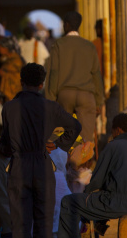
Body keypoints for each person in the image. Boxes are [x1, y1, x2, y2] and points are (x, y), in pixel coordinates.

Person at [0, 63, 81, 238]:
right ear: (42, 84)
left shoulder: (9, 108)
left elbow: (5, 143)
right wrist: (58, 144)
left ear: (21, 82)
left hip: (18, 167)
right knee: (44, 223)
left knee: (21, 224)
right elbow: (75, 125)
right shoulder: (51, 107)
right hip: (43, 166)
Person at [53, 113, 127, 238]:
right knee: (91, 206)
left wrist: (86, 194)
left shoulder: (113, 146)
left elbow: (97, 181)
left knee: (69, 202)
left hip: (117, 202)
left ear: (118, 130)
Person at [45, 11, 105, 143]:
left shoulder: (58, 45)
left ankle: (66, 161)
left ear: (66, 25)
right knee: (86, 138)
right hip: (86, 95)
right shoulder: (90, 46)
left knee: (63, 135)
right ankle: (82, 162)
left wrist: (51, 98)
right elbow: (96, 74)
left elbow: (53, 72)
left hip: (64, 94)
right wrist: (98, 100)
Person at [0, 36, 24, 106]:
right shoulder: (3, 58)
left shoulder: (16, 59)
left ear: (6, 48)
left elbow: (15, 70)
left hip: (14, 89)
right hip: (7, 91)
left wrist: (4, 71)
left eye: (0, 48)